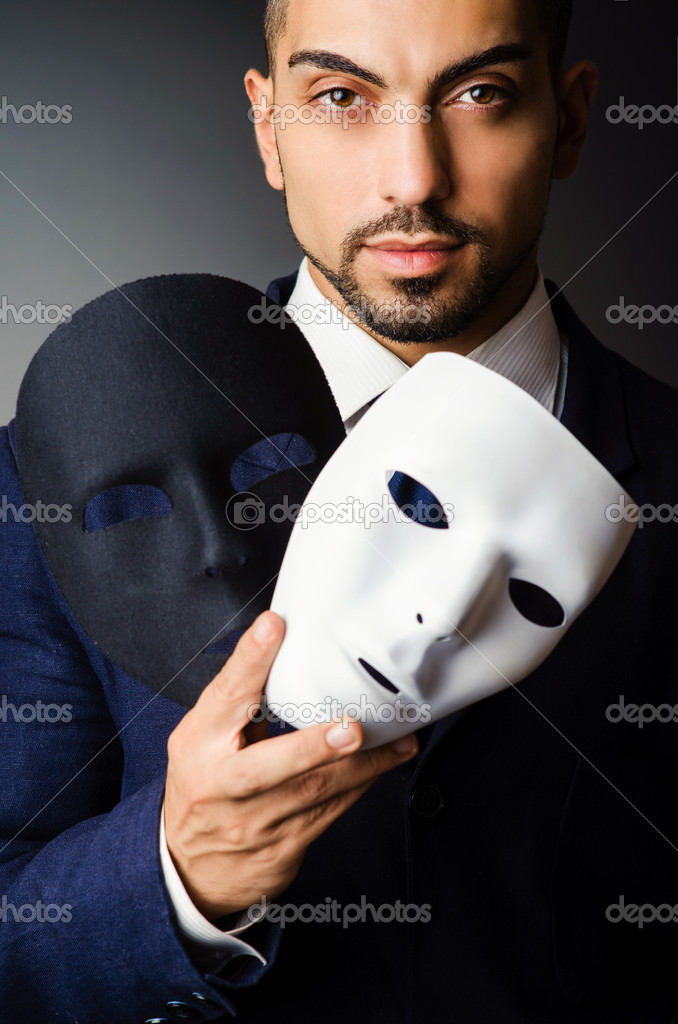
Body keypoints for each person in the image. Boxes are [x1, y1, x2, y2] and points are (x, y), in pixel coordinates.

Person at [1, 0, 677, 1021]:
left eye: (480, 93)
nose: (413, 178)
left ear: (572, 118)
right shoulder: (53, 479)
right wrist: (174, 877)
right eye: (341, 97)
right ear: (269, 127)